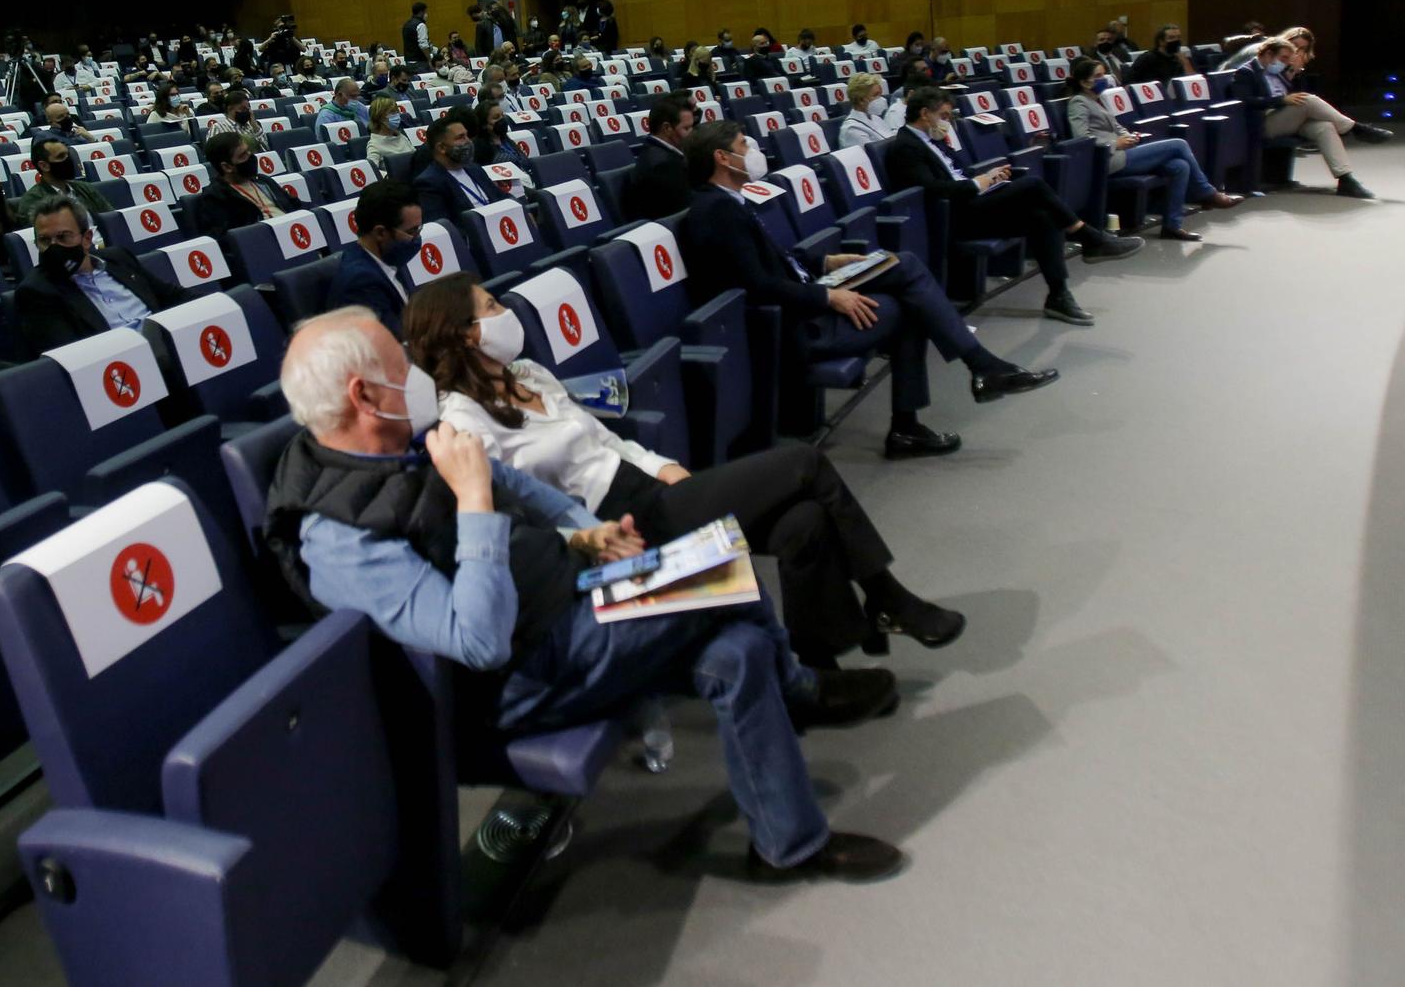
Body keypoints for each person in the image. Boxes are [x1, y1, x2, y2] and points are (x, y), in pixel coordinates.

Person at [267, 307, 907, 883]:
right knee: (721, 566)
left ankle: (785, 846)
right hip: (523, 675)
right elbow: (479, 642)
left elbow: (520, 488)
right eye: (398, 364)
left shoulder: (391, 447)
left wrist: (587, 533)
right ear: (363, 394)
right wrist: (473, 503)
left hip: (569, 604)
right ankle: (801, 691)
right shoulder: (338, 540)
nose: (413, 371)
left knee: (737, 650)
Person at [408, 274, 965, 665]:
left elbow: (606, 439)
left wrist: (664, 464)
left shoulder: (527, 372)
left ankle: (816, 663)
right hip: (615, 530)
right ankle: (887, 596)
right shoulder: (464, 423)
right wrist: (590, 540)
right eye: (492, 308)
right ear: (464, 334)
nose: (506, 311)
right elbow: (517, 522)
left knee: (805, 523)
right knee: (802, 463)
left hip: (648, 490)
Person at [682, 120, 1058, 458]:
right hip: (795, 324)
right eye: (745, 146)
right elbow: (758, 286)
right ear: (722, 158)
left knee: (903, 267)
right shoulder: (717, 211)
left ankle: (955, 391)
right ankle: (958, 386)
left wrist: (827, 263)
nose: (753, 153)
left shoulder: (727, 202)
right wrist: (829, 295)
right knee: (909, 293)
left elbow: (769, 264)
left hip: (805, 296)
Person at [884, 87, 1143, 326]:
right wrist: (979, 183)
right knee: (1032, 184)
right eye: (944, 115)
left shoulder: (931, 139)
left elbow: (956, 175)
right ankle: (1090, 237)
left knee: (1043, 216)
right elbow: (931, 191)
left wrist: (989, 178)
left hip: (971, 201)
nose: (948, 122)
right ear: (924, 113)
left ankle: (1059, 295)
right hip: (954, 215)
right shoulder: (905, 146)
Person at [1062, 57, 1243, 241]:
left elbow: (1117, 128)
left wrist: (1129, 137)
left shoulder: (1097, 100)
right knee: (1178, 144)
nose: (1104, 79)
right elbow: (1082, 138)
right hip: (1108, 160)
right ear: (1085, 82)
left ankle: (1172, 226)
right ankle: (1207, 193)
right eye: (1098, 76)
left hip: (1123, 152)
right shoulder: (1078, 102)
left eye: (1104, 74)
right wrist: (1116, 143)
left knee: (1180, 166)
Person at [14, 194, 182, 353]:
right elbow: (73, 355)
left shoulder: (118, 258)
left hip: (169, 344)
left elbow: (172, 294)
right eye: (44, 240)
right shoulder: (36, 292)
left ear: (87, 239)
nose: (53, 247)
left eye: (63, 237)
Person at [1230, 36, 1381, 199]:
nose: (1286, 62)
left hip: (1285, 119)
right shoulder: (1246, 72)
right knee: (1307, 100)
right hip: (1263, 122)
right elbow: (1245, 101)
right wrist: (1280, 100)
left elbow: (1296, 92)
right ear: (1268, 54)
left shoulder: (1280, 72)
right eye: (1283, 58)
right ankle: (1355, 128)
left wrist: (1295, 72)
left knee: (1324, 127)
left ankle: (1346, 179)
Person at [326, 181, 423, 338]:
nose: (417, 238)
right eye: (412, 231)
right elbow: (395, 342)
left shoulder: (388, 258)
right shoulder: (360, 284)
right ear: (380, 233)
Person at [194, 131, 303, 240]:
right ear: (227, 167)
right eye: (243, 155)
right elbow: (227, 240)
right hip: (264, 242)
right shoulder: (215, 197)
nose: (250, 157)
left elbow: (294, 205)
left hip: (295, 233)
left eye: (248, 151)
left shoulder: (263, 181)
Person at [410, 116, 506, 223]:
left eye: (467, 136)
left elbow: (501, 197)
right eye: (460, 137)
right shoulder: (428, 182)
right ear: (441, 148)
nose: (469, 141)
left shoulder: (475, 168)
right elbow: (445, 228)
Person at [624, 93, 699, 221]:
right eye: (687, 128)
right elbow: (688, 212)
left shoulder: (657, 151)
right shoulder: (663, 166)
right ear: (667, 128)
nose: (693, 133)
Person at [18, 138, 115, 222]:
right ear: (44, 166)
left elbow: (111, 218)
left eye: (67, 154)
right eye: (61, 156)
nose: (68, 159)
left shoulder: (85, 187)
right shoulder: (32, 201)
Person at [836, 72, 901, 148]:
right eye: (875, 95)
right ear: (861, 100)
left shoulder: (875, 118)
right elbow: (874, 155)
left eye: (880, 94)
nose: (881, 99)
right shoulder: (852, 129)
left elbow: (889, 136)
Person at [1123, 25, 1195, 86]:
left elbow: (1193, 82)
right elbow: (1127, 83)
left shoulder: (1180, 59)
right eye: (1171, 38)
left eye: (1178, 37)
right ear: (1161, 41)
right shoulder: (1147, 58)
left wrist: (1185, 62)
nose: (1176, 41)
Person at [365, 95, 415, 173]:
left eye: (397, 112)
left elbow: (416, 159)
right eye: (392, 112)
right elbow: (372, 171)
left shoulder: (401, 137)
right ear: (380, 117)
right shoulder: (374, 144)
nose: (397, 115)